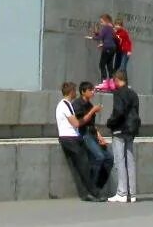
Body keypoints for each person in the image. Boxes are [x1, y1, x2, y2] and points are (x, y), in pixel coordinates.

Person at [54, 82, 105, 202]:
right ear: (70, 91)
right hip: (69, 139)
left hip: (73, 138)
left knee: (84, 165)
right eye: (74, 90)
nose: (75, 93)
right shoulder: (64, 105)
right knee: (84, 166)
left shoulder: (68, 104)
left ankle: (88, 192)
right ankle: (93, 193)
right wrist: (92, 112)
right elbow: (76, 123)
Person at [105, 71, 142, 203]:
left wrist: (110, 122)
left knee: (119, 161)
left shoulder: (119, 93)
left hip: (119, 130)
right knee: (130, 161)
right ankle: (132, 194)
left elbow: (118, 111)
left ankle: (121, 192)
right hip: (131, 130)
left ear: (117, 80)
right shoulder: (133, 93)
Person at [72, 81, 112, 193]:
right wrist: (93, 111)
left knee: (109, 158)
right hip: (84, 134)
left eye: (93, 90)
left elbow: (92, 125)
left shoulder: (89, 105)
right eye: (90, 90)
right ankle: (91, 187)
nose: (93, 92)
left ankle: (98, 186)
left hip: (92, 133)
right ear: (83, 92)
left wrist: (100, 136)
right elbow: (81, 122)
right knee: (99, 156)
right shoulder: (77, 104)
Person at [95, 14, 119, 82]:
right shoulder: (112, 28)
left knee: (102, 64)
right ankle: (112, 81)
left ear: (106, 21)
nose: (101, 23)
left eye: (102, 22)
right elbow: (110, 38)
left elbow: (100, 37)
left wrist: (93, 37)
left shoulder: (106, 28)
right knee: (109, 65)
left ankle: (104, 81)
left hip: (107, 48)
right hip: (113, 48)